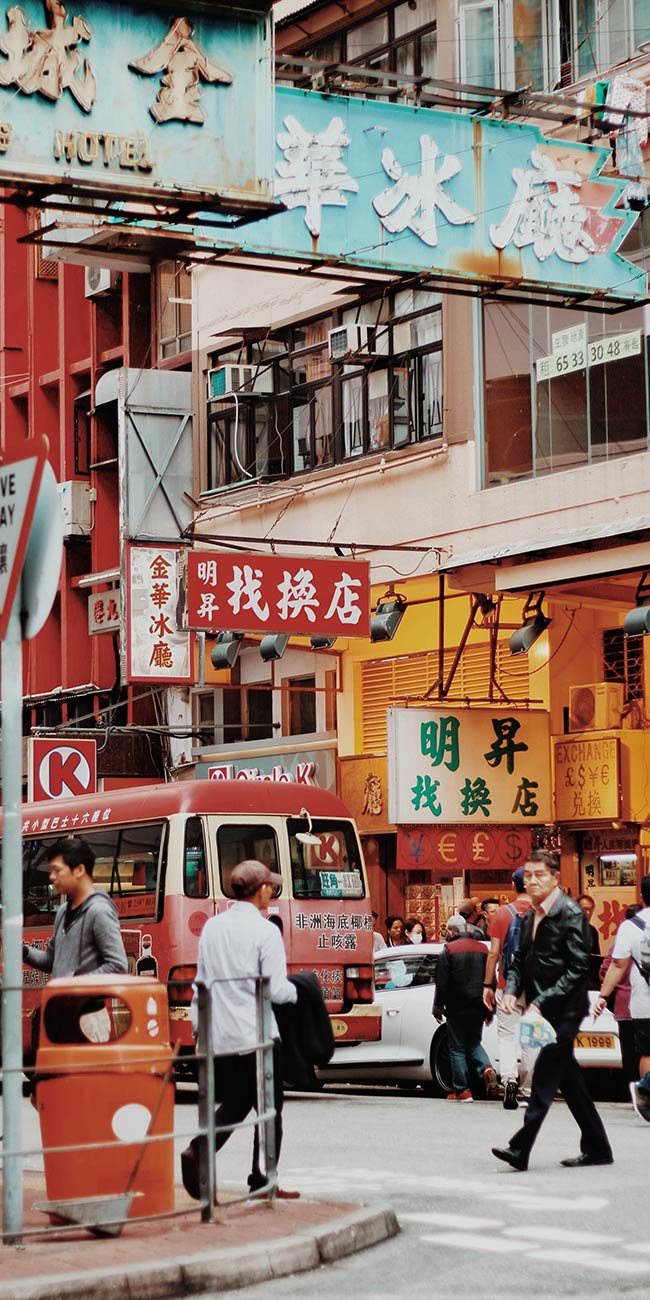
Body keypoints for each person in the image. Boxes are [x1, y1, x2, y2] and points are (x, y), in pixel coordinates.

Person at [182, 860, 300, 1201]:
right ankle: (260, 1179)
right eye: (270, 886)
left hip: (221, 1034)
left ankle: (204, 1150)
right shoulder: (266, 931)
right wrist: (300, 991)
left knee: (238, 1101)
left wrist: (198, 1027)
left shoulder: (213, 928)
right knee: (270, 1109)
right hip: (258, 1035)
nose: (272, 891)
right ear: (261, 890)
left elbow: (201, 982)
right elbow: (276, 988)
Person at [492, 849, 613, 1171]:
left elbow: (578, 969)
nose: (532, 881)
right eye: (528, 875)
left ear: (555, 877)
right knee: (570, 1081)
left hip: (566, 1011)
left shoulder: (570, 914)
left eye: (540, 875)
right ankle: (598, 1147)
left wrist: (541, 1002)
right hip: (542, 1010)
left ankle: (520, 1148)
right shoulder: (529, 915)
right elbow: (518, 960)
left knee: (545, 1077)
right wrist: (511, 990)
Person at [22, 836, 128, 979]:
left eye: (57, 870)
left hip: (83, 995)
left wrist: (74, 983)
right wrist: (23, 951)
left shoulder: (100, 911)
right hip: (63, 994)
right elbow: (51, 960)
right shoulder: (63, 911)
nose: (52, 876)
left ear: (79, 870)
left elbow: (118, 966)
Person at [594, 875, 650, 1122]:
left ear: (642, 896)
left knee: (647, 1053)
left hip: (643, 1002)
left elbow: (617, 965)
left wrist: (603, 995)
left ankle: (647, 1097)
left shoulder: (630, 926)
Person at [483, 866, 536, 1110]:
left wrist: (488, 985)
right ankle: (527, 1089)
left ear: (513, 886)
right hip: (536, 988)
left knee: (506, 1036)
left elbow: (494, 953)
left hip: (508, 985)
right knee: (532, 1039)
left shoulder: (502, 914)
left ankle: (509, 1079)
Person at [432, 914, 498, 1102]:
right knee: (474, 1042)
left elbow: (442, 982)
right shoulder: (483, 949)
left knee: (457, 1048)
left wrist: (438, 1006)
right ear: (467, 929)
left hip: (456, 1006)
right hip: (479, 1004)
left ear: (451, 932)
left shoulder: (448, 950)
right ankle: (487, 1068)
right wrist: (490, 1009)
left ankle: (462, 1090)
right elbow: (491, 980)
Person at [598, 903, 643, 1086]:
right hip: (645, 1006)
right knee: (645, 1051)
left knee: (630, 1053)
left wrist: (605, 994)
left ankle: (634, 1090)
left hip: (625, 1006)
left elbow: (605, 971)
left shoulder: (620, 944)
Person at [577, 894, 601, 988]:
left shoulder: (592, 931)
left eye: (590, 909)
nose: (588, 912)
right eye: (584, 909)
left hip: (589, 978)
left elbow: (596, 956)